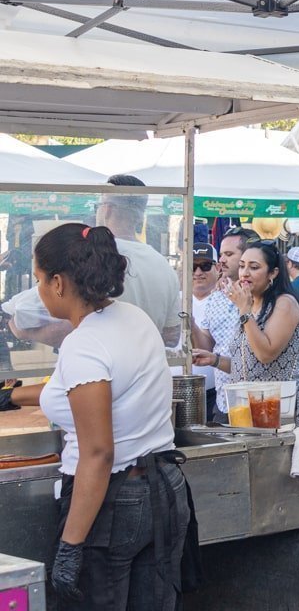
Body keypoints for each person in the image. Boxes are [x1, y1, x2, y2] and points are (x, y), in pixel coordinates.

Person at [8, 223, 189, 608]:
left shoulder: (84, 343)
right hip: (163, 491)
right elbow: (84, 389)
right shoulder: (131, 317)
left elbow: (98, 453)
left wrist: (71, 545)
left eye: (39, 279)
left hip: (114, 504)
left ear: (58, 283)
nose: (39, 289)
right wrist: (11, 395)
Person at [9, 175, 181, 348]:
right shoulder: (163, 265)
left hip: (99, 366)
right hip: (144, 368)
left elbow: (23, 312)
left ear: (106, 209)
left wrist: (26, 333)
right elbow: (172, 335)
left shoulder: (91, 257)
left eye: (97, 206)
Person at [194, 241, 299, 425]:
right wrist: (214, 359)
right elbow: (247, 365)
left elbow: (265, 354)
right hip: (248, 409)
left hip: (281, 410)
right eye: (242, 266)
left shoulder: (284, 304)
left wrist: (244, 311)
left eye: (254, 267)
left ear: (273, 273)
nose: (245, 273)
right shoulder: (252, 305)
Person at [192, 226, 258, 424]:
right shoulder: (217, 298)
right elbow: (207, 347)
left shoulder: (265, 299)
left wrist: (215, 360)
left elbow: (259, 360)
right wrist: (190, 322)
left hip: (259, 401)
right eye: (221, 254)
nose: (222, 260)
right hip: (224, 403)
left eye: (229, 254)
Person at [189, 242, 221, 420]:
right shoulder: (174, 298)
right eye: (193, 266)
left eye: (205, 266)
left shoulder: (227, 301)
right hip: (172, 389)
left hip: (213, 394)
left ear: (217, 268)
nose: (198, 272)